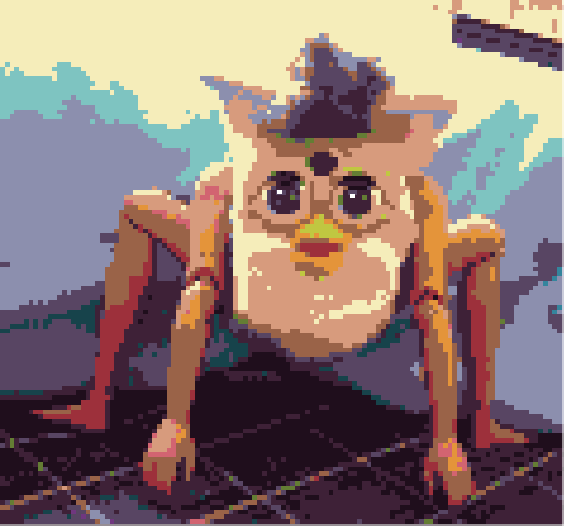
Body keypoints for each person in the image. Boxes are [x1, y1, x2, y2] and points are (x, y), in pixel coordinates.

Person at [35, 34, 526, 505]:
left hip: (370, 294)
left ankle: (482, 421)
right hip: (249, 288)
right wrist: (173, 424)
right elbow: (199, 289)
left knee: (484, 236)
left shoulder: (416, 193)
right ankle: (98, 401)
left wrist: (446, 441)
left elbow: (432, 304)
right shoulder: (228, 181)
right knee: (142, 208)